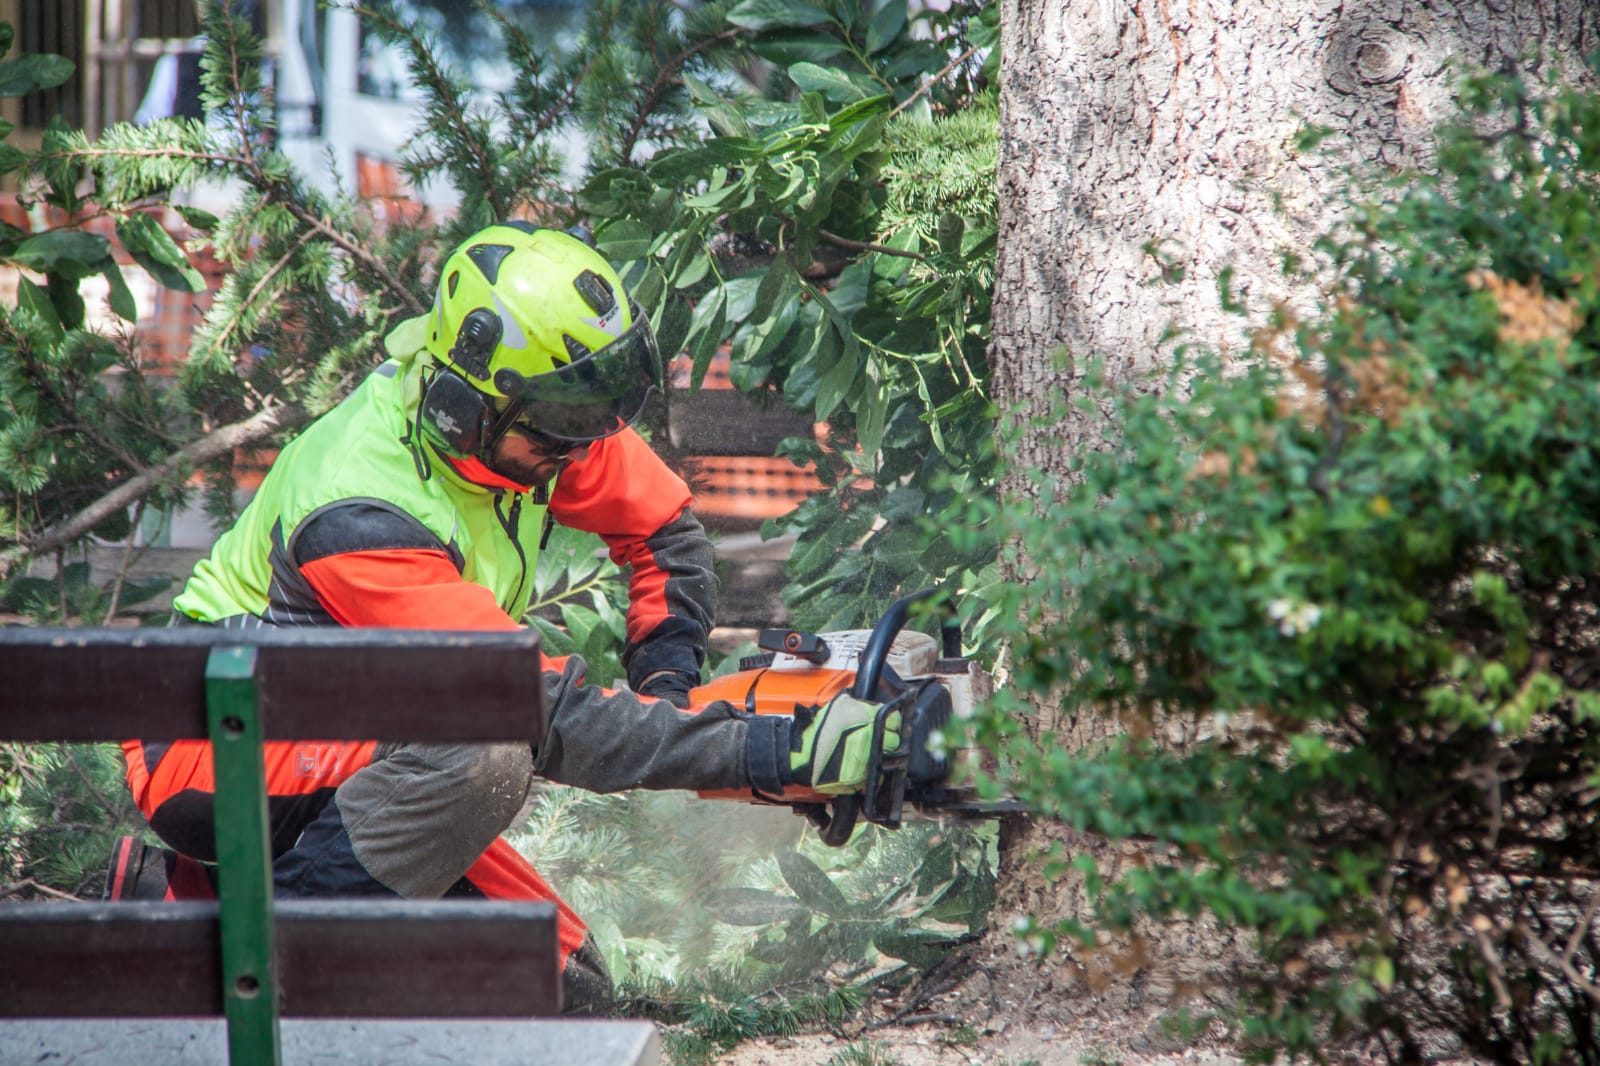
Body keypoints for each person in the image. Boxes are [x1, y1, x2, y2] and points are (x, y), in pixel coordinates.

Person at [115, 222, 895, 1014]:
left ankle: (169, 902)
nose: (579, 452)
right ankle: (256, 978)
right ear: (462, 408)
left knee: (567, 995)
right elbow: (520, 704)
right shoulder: (361, 511)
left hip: (372, 738)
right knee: (483, 754)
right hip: (221, 750)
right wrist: (760, 750)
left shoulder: (538, 414)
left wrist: (668, 694)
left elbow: (663, 533)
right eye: (558, 433)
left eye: (588, 425)